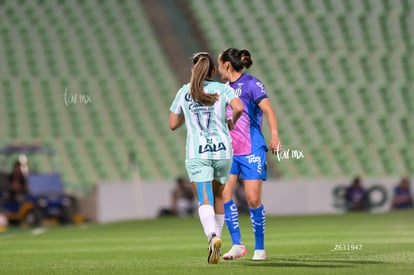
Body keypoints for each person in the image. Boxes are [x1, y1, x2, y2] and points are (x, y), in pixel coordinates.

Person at [169, 52, 243, 264]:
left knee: (204, 199)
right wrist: (231, 122)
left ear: (193, 69)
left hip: (197, 153)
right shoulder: (222, 88)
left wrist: (189, 116)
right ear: (213, 70)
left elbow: (173, 124)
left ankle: (212, 236)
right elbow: (239, 107)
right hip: (222, 151)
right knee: (219, 197)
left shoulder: (185, 92)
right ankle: (217, 240)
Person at [217, 48, 282, 261]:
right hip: (230, 150)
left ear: (227, 64)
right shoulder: (223, 89)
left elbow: (269, 110)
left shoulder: (252, 84)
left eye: (219, 65)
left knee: (253, 199)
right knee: (225, 195)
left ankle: (260, 247)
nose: (218, 70)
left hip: (251, 148)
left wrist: (274, 136)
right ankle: (237, 245)